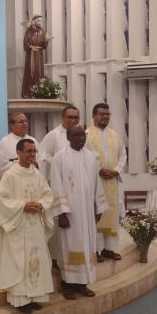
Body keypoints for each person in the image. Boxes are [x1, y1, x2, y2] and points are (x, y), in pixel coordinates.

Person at [0, 139, 55, 314]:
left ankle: (34, 296)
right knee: (20, 262)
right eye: (28, 151)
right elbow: (1, 201)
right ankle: (20, 300)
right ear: (18, 153)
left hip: (35, 226)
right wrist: (22, 206)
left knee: (36, 260)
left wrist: (41, 204)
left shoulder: (37, 174)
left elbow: (48, 195)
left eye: (34, 151)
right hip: (18, 225)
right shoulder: (11, 175)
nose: (32, 155)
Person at [50, 125, 107, 300]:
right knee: (70, 246)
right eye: (77, 135)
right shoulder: (59, 157)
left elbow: (96, 183)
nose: (81, 138)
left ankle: (83, 283)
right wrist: (61, 213)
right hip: (70, 214)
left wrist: (98, 206)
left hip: (87, 212)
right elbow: (56, 186)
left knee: (87, 245)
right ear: (68, 137)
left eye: (83, 135)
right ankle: (67, 284)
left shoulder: (90, 157)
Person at [85, 103, 127, 262]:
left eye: (108, 114)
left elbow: (123, 155)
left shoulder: (115, 135)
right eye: (102, 114)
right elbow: (86, 156)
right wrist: (99, 170)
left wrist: (116, 170)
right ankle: (96, 250)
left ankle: (110, 249)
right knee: (97, 214)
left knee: (112, 214)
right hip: (95, 181)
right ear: (94, 116)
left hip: (112, 182)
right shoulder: (86, 134)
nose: (105, 117)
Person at [40, 105, 81, 260]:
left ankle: (78, 255)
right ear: (62, 118)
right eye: (69, 117)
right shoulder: (54, 136)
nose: (73, 120)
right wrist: (59, 163)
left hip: (77, 189)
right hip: (59, 187)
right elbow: (43, 157)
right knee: (60, 223)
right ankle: (58, 257)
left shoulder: (81, 134)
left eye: (76, 117)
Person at [0, 112, 48, 183]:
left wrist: (36, 164)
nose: (25, 124)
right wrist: (20, 165)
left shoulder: (33, 140)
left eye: (26, 121)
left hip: (33, 180)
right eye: (21, 122)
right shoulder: (4, 143)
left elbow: (43, 159)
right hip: (15, 183)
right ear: (12, 125)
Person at [21, 15, 53, 98]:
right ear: (34, 21)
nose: (40, 22)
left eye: (40, 21)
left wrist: (46, 41)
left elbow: (44, 45)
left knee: (38, 71)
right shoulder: (29, 31)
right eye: (38, 20)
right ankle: (29, 92)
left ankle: (39, 92)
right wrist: (31, 47)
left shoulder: (42, 31)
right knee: (31, 71)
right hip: (31, 54)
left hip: (39, 54)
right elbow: (25, 44)